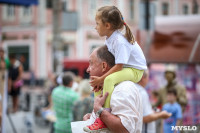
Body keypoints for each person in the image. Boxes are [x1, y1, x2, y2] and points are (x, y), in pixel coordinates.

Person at [87, 6, 147, 132]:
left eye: (97, 24)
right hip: (126, 68)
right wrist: (99, 81)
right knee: (99, 84)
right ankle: (96, 117)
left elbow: (119, 66)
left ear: (107, 25)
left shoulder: (119, 40)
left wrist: (102, 78)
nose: (95, 27)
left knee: (108, 80)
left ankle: (103, 117)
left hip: (135, 71)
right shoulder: (110, 39)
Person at [83, 46, 143, 133]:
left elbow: (125, 129)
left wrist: (99, 111)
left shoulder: (123, 89)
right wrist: (92, 118)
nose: (88, 70)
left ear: (104, 66)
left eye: (91, 63)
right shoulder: (109, 87)